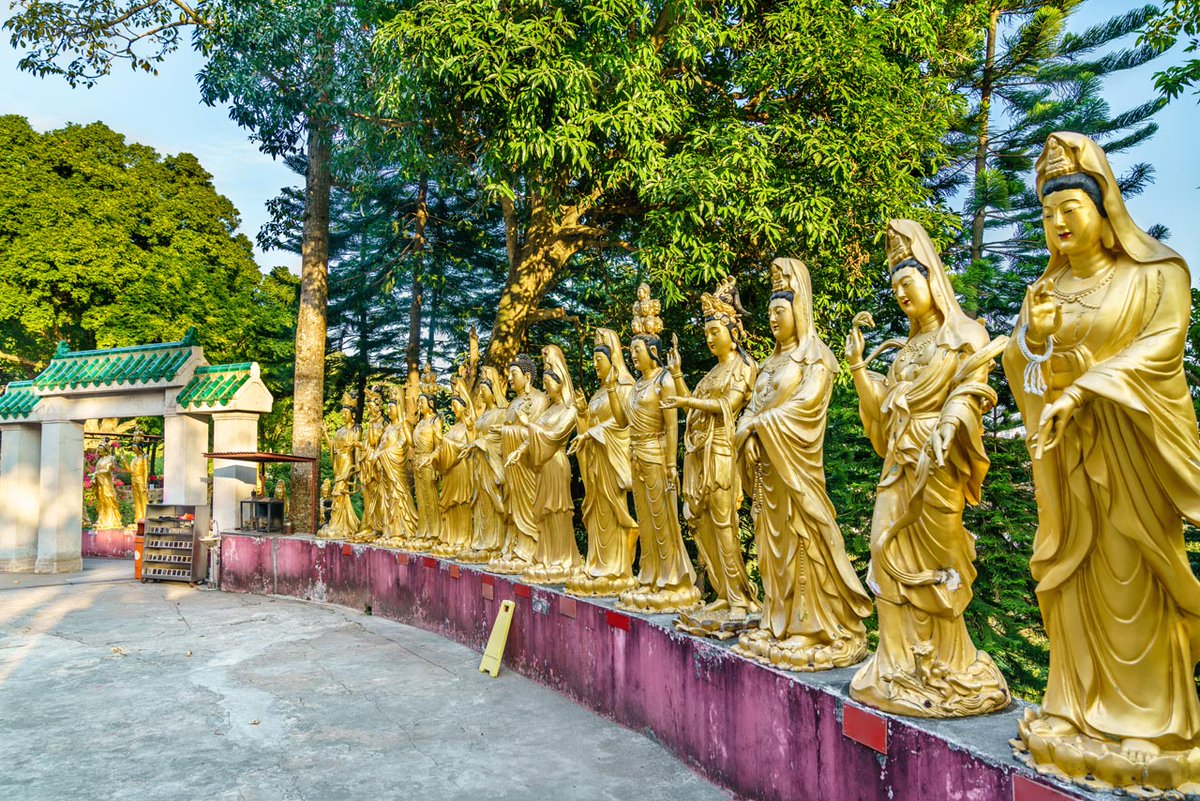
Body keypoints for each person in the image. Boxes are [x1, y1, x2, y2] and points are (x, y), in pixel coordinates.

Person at [1003, 132, 1200, 790]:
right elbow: (1020, 369)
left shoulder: (1154, 276)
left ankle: (1150, 721)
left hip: (1129, 458)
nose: (1058, 222)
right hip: (1069, 469)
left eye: (1071, 208)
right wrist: (1033, 340)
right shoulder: (1042, 292)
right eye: (1048, 211)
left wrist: (1088, 384)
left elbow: (1162, 348)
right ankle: (1073, 708)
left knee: (1130, 582)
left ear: (1104, 206)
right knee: (1070, 584)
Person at [846, 220, 1009, 717]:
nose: (900, 294)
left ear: (932, 280)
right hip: (898, 464)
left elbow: (973, 391)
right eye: (893, 286)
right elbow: (881, 415)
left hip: (936, 467)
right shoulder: (904, 351)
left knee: (939, 565)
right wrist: (857, 369)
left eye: (907, 282)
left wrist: (948, 423)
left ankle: (949, 661)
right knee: (882, 550)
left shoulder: (964, 335)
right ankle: (894, 661)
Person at [733, 259, 871, 669]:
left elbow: (805, 406)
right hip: (766, 476)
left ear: (800, 311)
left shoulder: (816, 359)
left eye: (781, 311)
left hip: (797, 473)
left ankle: (809, 627)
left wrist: (759, 426)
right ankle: (777, 621)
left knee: (801, 546)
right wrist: (747, 432)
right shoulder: (770, 363)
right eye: (770, 312)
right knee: (770, 551)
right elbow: (748, 409)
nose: (774, 319)